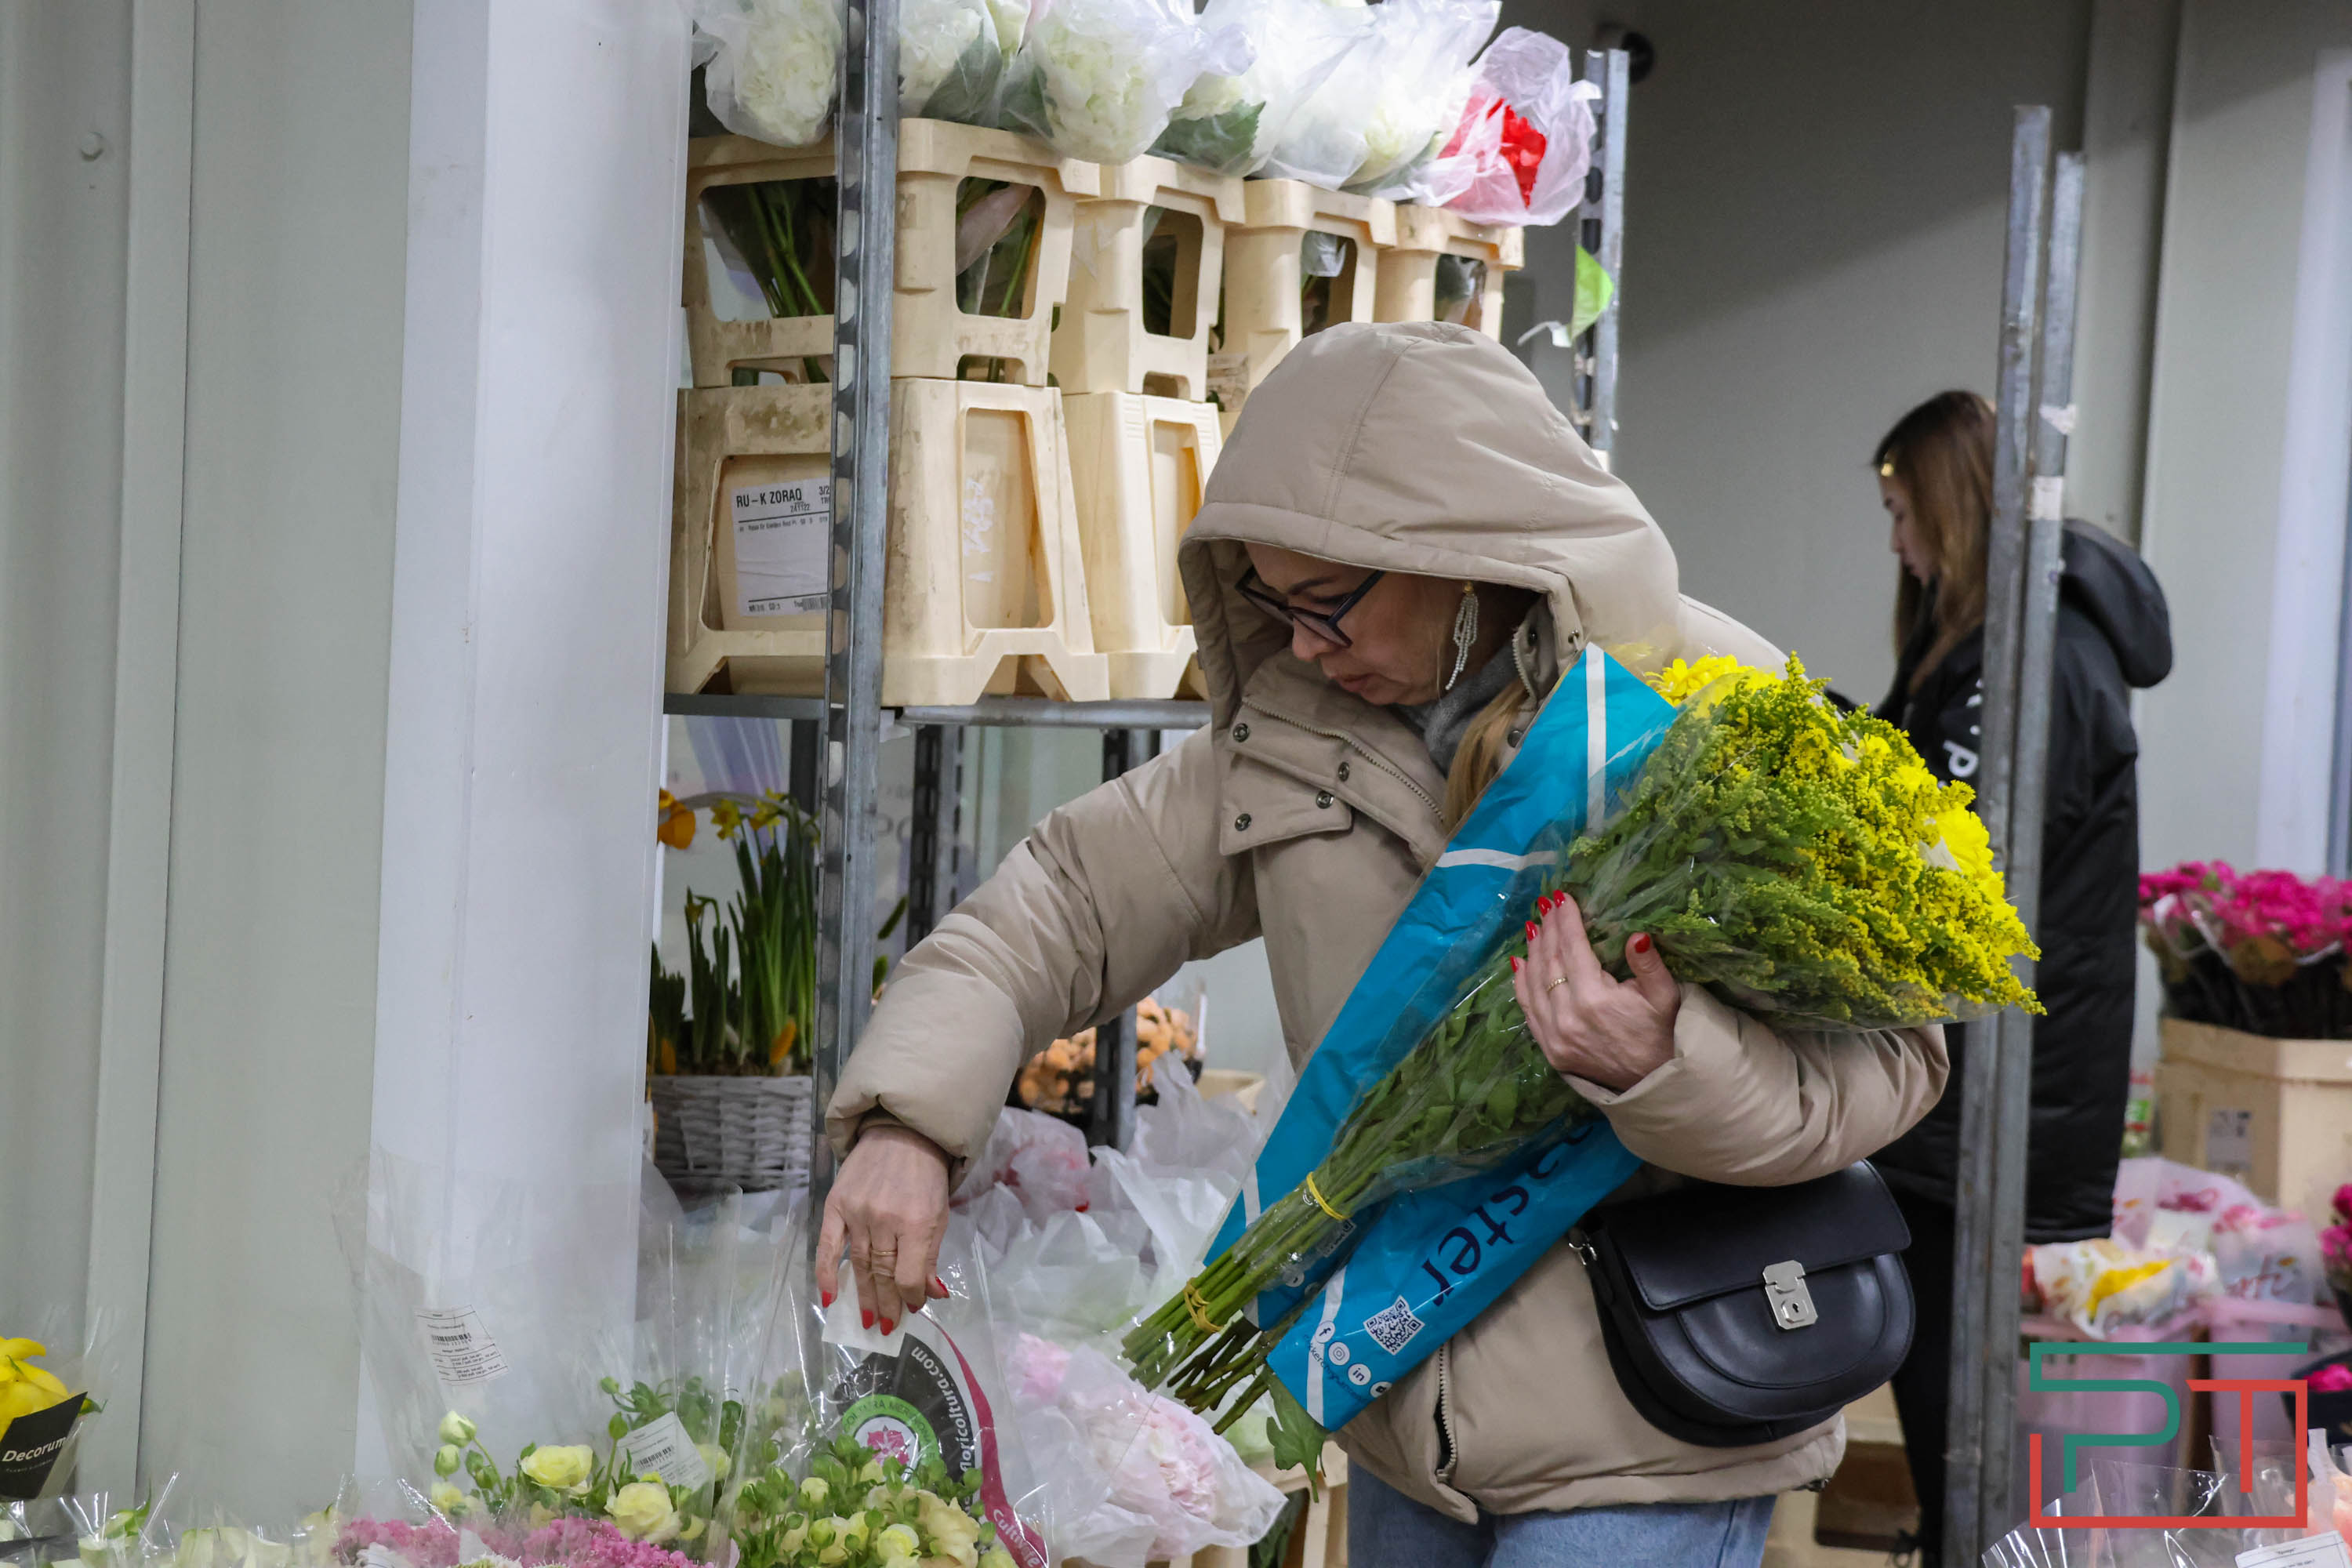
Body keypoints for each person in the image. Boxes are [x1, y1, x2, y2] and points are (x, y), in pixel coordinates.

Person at [817, 323, 1949, 1568]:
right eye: (1267, 602)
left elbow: (1893, 1063)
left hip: (1651, 1432)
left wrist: (1669, 1060)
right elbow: (1055, 908)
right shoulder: (1287, 742)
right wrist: (910, 1120)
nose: (1300, 645)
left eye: (1327, 604)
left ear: (1461, 562)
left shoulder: (1714, 711)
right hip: (1398, 1423)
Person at [1866, 390, 2172, 1563]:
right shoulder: (2007, 645)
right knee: (1948, 1384)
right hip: (1983, 1081)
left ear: (1952, 504)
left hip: (1990, 1086)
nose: (1895, 544)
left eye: (1903, 513)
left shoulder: (2029, 663)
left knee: (1956, 1408)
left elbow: (1961, 865)